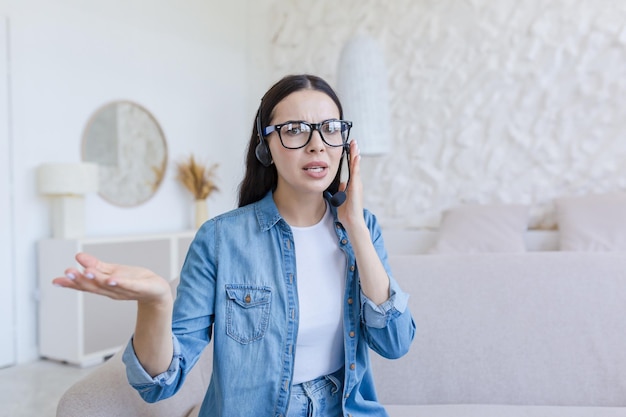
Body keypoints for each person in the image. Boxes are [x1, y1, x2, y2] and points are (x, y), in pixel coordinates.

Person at [53, 74, 416, 417]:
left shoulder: (363, 228)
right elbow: (161, 382)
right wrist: (156, 303)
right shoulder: (220, 239)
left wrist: (354, 226)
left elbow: (395, 343)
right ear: (266, 147)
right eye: (294, 130)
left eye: (330, 129)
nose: (317, 143)